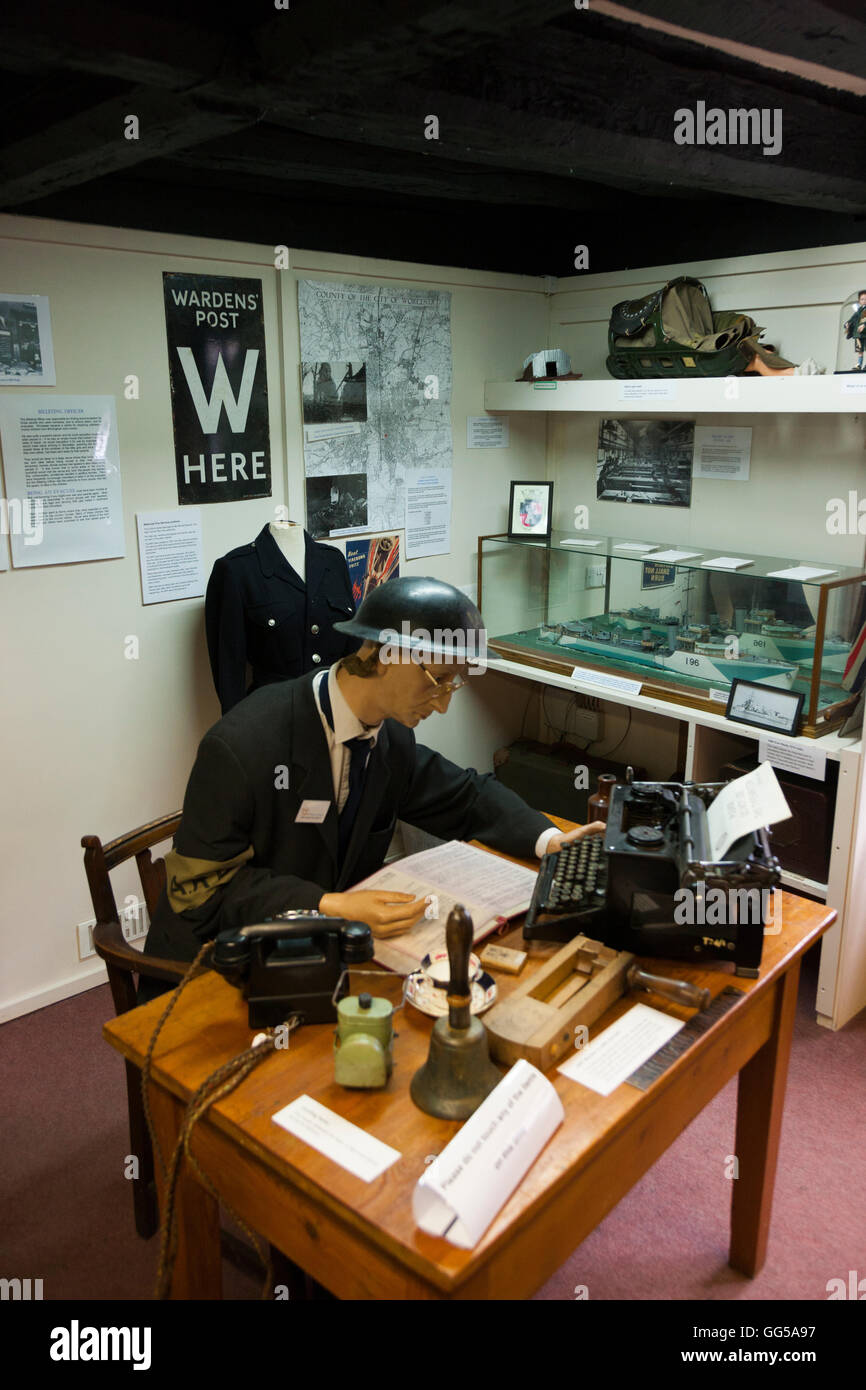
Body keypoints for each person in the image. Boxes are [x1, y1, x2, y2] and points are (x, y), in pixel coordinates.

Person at [140, 576, 599, 998]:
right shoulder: (242, 746)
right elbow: (203, 894)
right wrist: (331, 904)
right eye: (437, 681)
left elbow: (464, 795)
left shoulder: (388, 738)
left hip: (319, 954)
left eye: (453, 685)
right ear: (382, 655)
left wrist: (549, 840)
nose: (441, 705)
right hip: (208, 971)